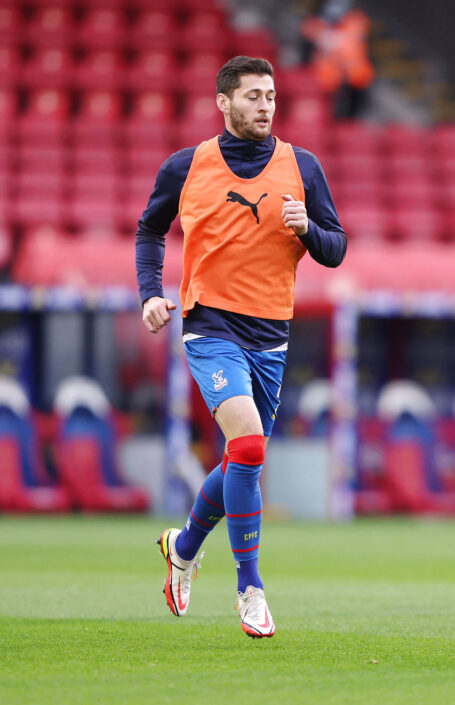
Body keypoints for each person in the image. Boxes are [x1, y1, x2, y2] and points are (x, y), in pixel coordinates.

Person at [136, 56, 347, 638]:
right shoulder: (187, 166)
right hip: (209, 323)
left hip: (272, 333)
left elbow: (336, 249)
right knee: (249, 446)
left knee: (241, 457)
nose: (265, 106)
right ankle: (250, 586)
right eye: (253, 96)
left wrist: (309, 230)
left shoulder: (302, 166)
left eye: (271, 96)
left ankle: (182, 546)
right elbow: (150, 229)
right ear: (224, 103)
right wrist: (150, 294)